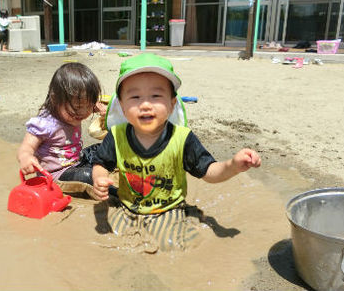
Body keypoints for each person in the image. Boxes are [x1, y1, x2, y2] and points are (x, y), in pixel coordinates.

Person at [91, 53, 261, 251]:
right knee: (113, 239)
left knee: (172, 245)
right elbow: (101, 163)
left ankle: (190, 219)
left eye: (156, 96)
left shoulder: (182, 139)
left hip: (168, 209)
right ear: (121, 105)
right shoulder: (116, 136)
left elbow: (209, 172)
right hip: (128, 207)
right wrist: (99, 178)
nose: (145, 104)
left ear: (172, 104)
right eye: (135, 97)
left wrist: (232, 166)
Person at [17, 62, 107, 197]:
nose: (82, 113)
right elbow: (26, 148)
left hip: (75, 161)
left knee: (103, 149)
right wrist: (26, 157)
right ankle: (106, 191)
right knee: (88, 175)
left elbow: (88, 105)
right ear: (55, 99)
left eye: (87, 107)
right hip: (56, 175)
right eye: (76, 108)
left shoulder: (77, 108)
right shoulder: (45, 124)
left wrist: (101, 110)